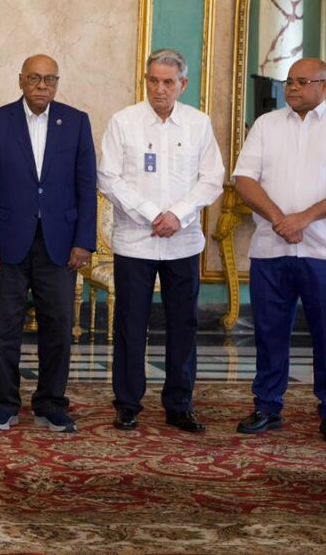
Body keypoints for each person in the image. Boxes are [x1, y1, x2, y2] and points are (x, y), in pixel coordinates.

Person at [232, 57, 326, 444]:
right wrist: (280, 219)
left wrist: (304, 218)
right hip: (271, 250)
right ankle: (267, 406)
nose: (292, 88)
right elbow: (244, 179)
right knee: (269, 334)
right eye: (289, 81)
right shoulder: (266, 125)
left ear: (324, 86)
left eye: (301, 81)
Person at [97, 48, 224, 433]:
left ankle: (180, 404)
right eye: (153, 81)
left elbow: (212, 179)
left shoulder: (198, 124)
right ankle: (127, 403)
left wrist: (177, 215)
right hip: (135, 241)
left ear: (183, 84)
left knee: (183, 324)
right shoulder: (124, 122)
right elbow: (108, 177)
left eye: (168, 82)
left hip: (183, 243)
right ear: (145, 81)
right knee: (130, 324)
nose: (159, 89)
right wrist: (152, 214)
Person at [0, 54, 96, 433]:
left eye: (50, 79)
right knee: (2, 330)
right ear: (21, 80)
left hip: (60, 245)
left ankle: (51, 404)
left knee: (58, 328)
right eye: (35, 78)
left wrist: (84, 241)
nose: (42, 85)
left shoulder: (76, 122)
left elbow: (86, 186)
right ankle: (2, 405)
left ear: (57, 83)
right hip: (6, 244)